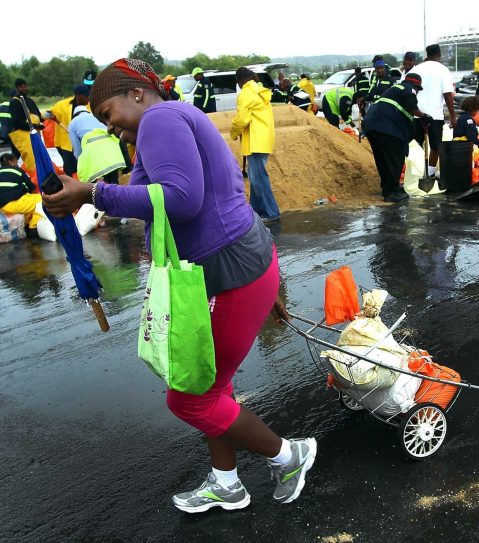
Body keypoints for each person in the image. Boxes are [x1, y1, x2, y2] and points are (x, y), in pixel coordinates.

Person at [41, 58, 314, 513]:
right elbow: (152, 194)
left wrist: (92, 193)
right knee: (211, 385)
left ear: (136, 94)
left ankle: (290, 456)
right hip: (240, 266)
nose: (112, 129)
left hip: (232, 273)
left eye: (110, 115)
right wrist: (89, 195)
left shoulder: (161, 118)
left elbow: (181, 200)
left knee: (190, 398)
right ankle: (228, 482)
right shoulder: (173, 119)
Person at [365, 73, 429, 202]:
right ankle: (391, 193)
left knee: (383, 160)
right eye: (418, 89)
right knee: (395, 159)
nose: (417, 92)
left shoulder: (393, 90)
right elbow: (412, 106)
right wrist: (423, 116)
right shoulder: (408, 89)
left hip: (372, 125)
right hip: (386, 127)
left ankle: (389, 188)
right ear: (415, 85)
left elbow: (404, 114)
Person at [231, 68, 281, 222]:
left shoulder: (245, 94)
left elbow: (242, 120)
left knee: (259, 178)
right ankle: (255, 212)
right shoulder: (259, 89)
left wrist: (233, 132)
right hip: (263, 138)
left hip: (255, 141)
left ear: (239, 81)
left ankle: (272, 213)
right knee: (255, 177)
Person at [409, 44, 458, 178]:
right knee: (436, 145)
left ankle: (416, 174)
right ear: (439, 54)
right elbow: (448, 94)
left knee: (416, 145)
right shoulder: (443, 70)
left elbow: (406, 90)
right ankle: (430, 173)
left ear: (427, 54)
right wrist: (453, 116)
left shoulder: (416, 69)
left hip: (415, 113)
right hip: (434, 115)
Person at [68, 105, 126, 184]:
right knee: (114, 185)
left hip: (95, 159)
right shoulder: (96, 117)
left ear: (75, 115)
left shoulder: (73, 123)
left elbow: (77, 150)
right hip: (113, 154)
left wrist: (81, 165)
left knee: (98, 190)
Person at [48, 84, 91, 176]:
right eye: (86, 96)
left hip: (83, 143)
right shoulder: (62, 105)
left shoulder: (90, 107)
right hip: (65, 144)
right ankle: (71, 187)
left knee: (83, 168)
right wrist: (46, 115)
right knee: (69, 169)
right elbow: (48, 112)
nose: (89, 99)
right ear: (78, 96)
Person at [7, 78, 43, 175]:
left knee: (38, 158)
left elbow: (38, 115)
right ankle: (9, 175)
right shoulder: (15, 102)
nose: (23, 88)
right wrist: (34, 126)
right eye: (21, 86)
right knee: (30, 161)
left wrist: (43, 119)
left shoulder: (30, 101)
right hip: (22, 137)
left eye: (25, 86)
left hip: (33, 135)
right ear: (17, 88)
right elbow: (18, 122)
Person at [0, 153, 42, 230]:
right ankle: (33, 227)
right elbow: (31, 188)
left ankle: (25, 222)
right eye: (16, 162)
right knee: (43, 200)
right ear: (10, 162)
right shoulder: (18, 170)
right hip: (13, 203)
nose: (17, 165)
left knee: (28, 203)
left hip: (1, 206)